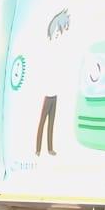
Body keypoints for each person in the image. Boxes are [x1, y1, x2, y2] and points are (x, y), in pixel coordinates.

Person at [33, 9, 69, 156]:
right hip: (47, 92)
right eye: (58, 32)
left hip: (55, 92)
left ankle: (49, 148)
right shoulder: (47, 49)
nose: (59, 35)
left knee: (51, 122)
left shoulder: (58, 50)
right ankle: (38, 149)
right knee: (42, 121)